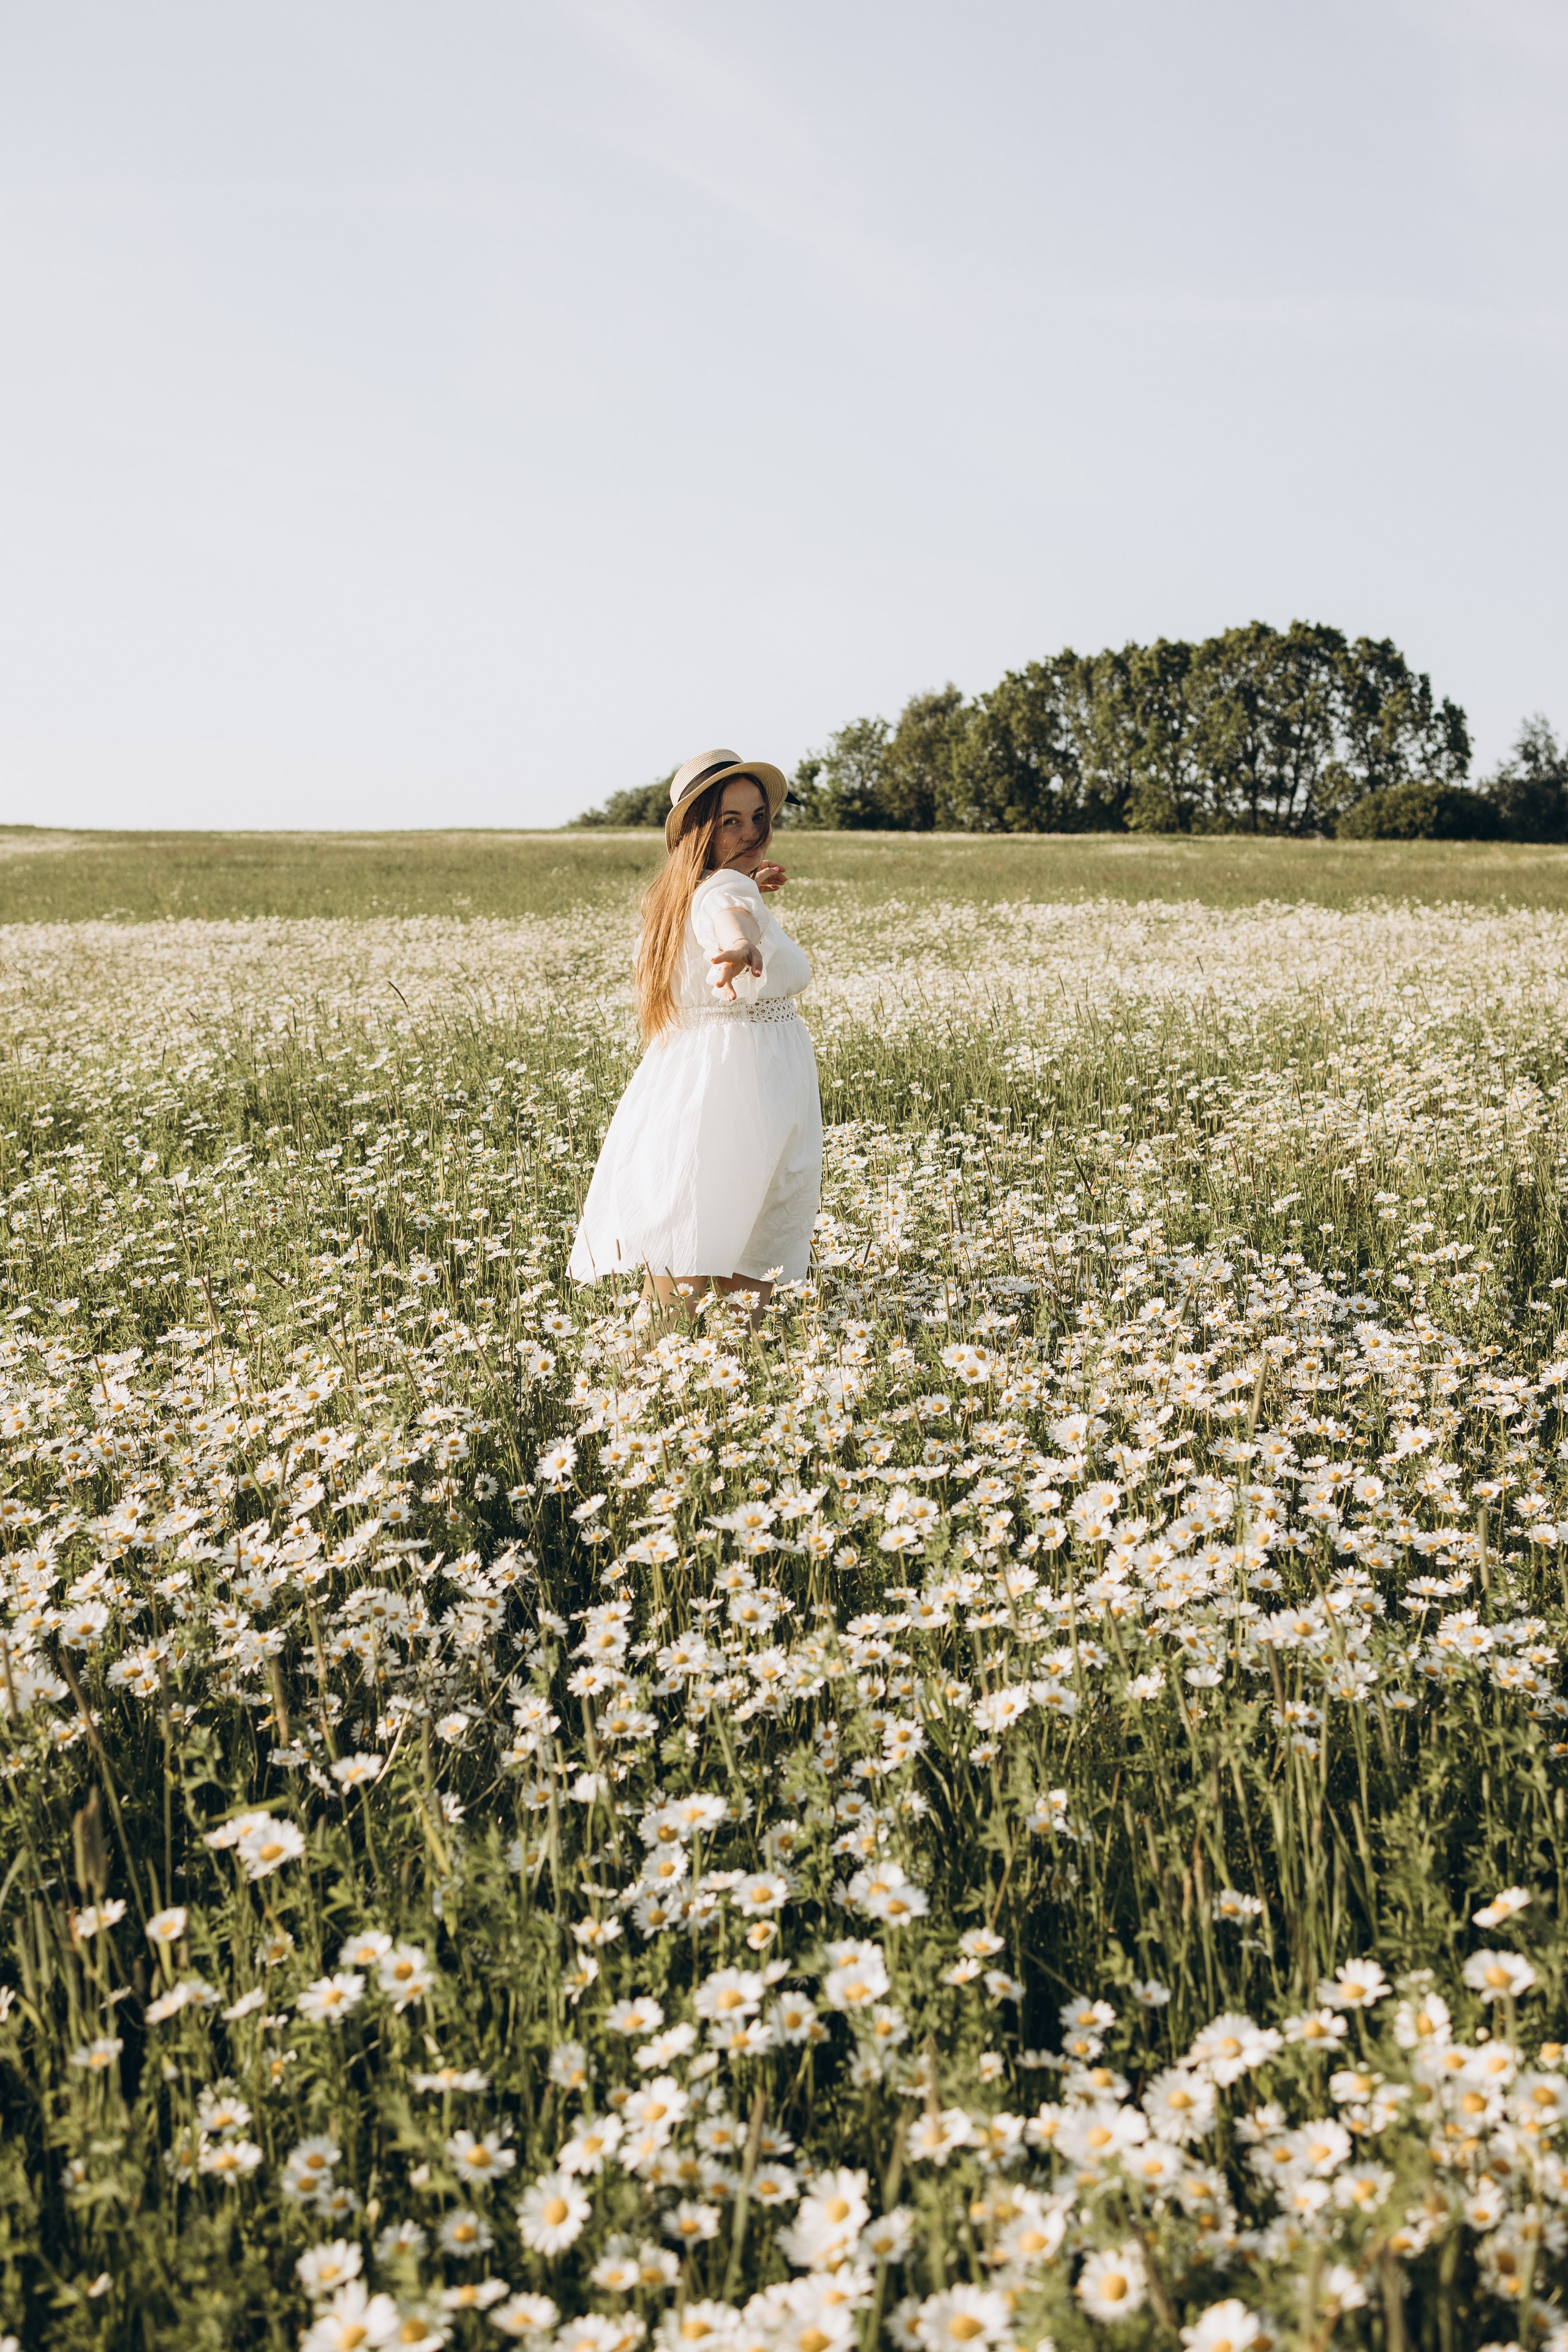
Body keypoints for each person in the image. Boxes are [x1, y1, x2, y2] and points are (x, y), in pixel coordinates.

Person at [567, 749, 821, 1321]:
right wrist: (739, 945)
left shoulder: (684, 893)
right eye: (731, 820)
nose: (753, 831)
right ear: (701, 830)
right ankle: (720, 1370)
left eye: (759, 816)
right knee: (754, 1237)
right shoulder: (725, 892)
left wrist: (749, 894)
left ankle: (650, 1373)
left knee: (695, 1227)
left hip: (703, 1070)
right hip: (750, 1080)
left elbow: (722, 903)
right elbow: (727, 918)